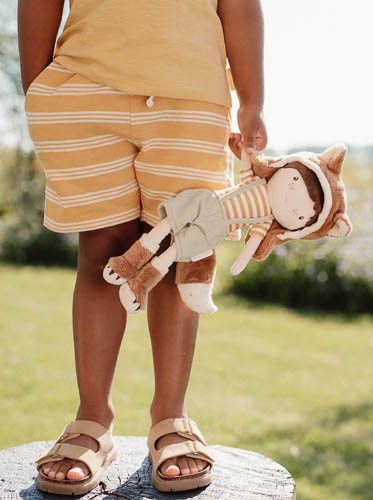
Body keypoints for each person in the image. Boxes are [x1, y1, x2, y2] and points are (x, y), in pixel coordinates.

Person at [18, 0, 267, 493]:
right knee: (101, 254)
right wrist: (36, 88)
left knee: (185, 250)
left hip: (194, 97)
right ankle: (92, 421)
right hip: (83, 89)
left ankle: (171, 418)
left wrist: (252, 100)